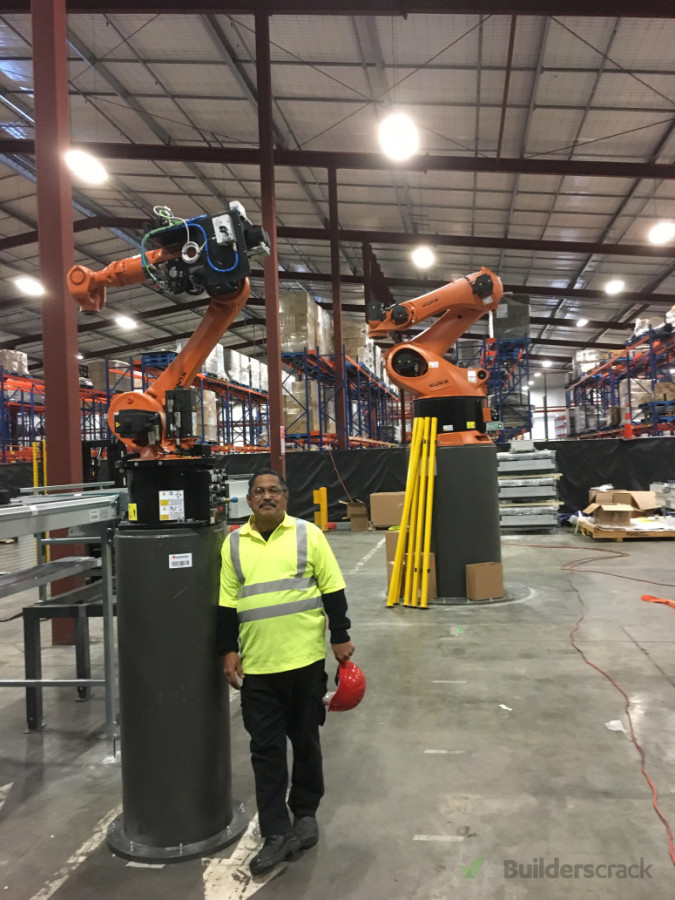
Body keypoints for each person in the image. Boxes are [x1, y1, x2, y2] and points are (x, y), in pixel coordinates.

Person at [217, 468, 354, 876]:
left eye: (273, 490)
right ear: (249, 501)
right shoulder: (234, 543)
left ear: (285, 496)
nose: (266, 497)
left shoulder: (307, 534)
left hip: (305, 662)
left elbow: (332, 586)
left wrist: (341, 635)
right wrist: (228, 649)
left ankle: (306, 812)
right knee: (266, 750)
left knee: (306, 741)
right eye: (258, 492)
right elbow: (226, 602)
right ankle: (276, 829)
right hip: (259, 667)